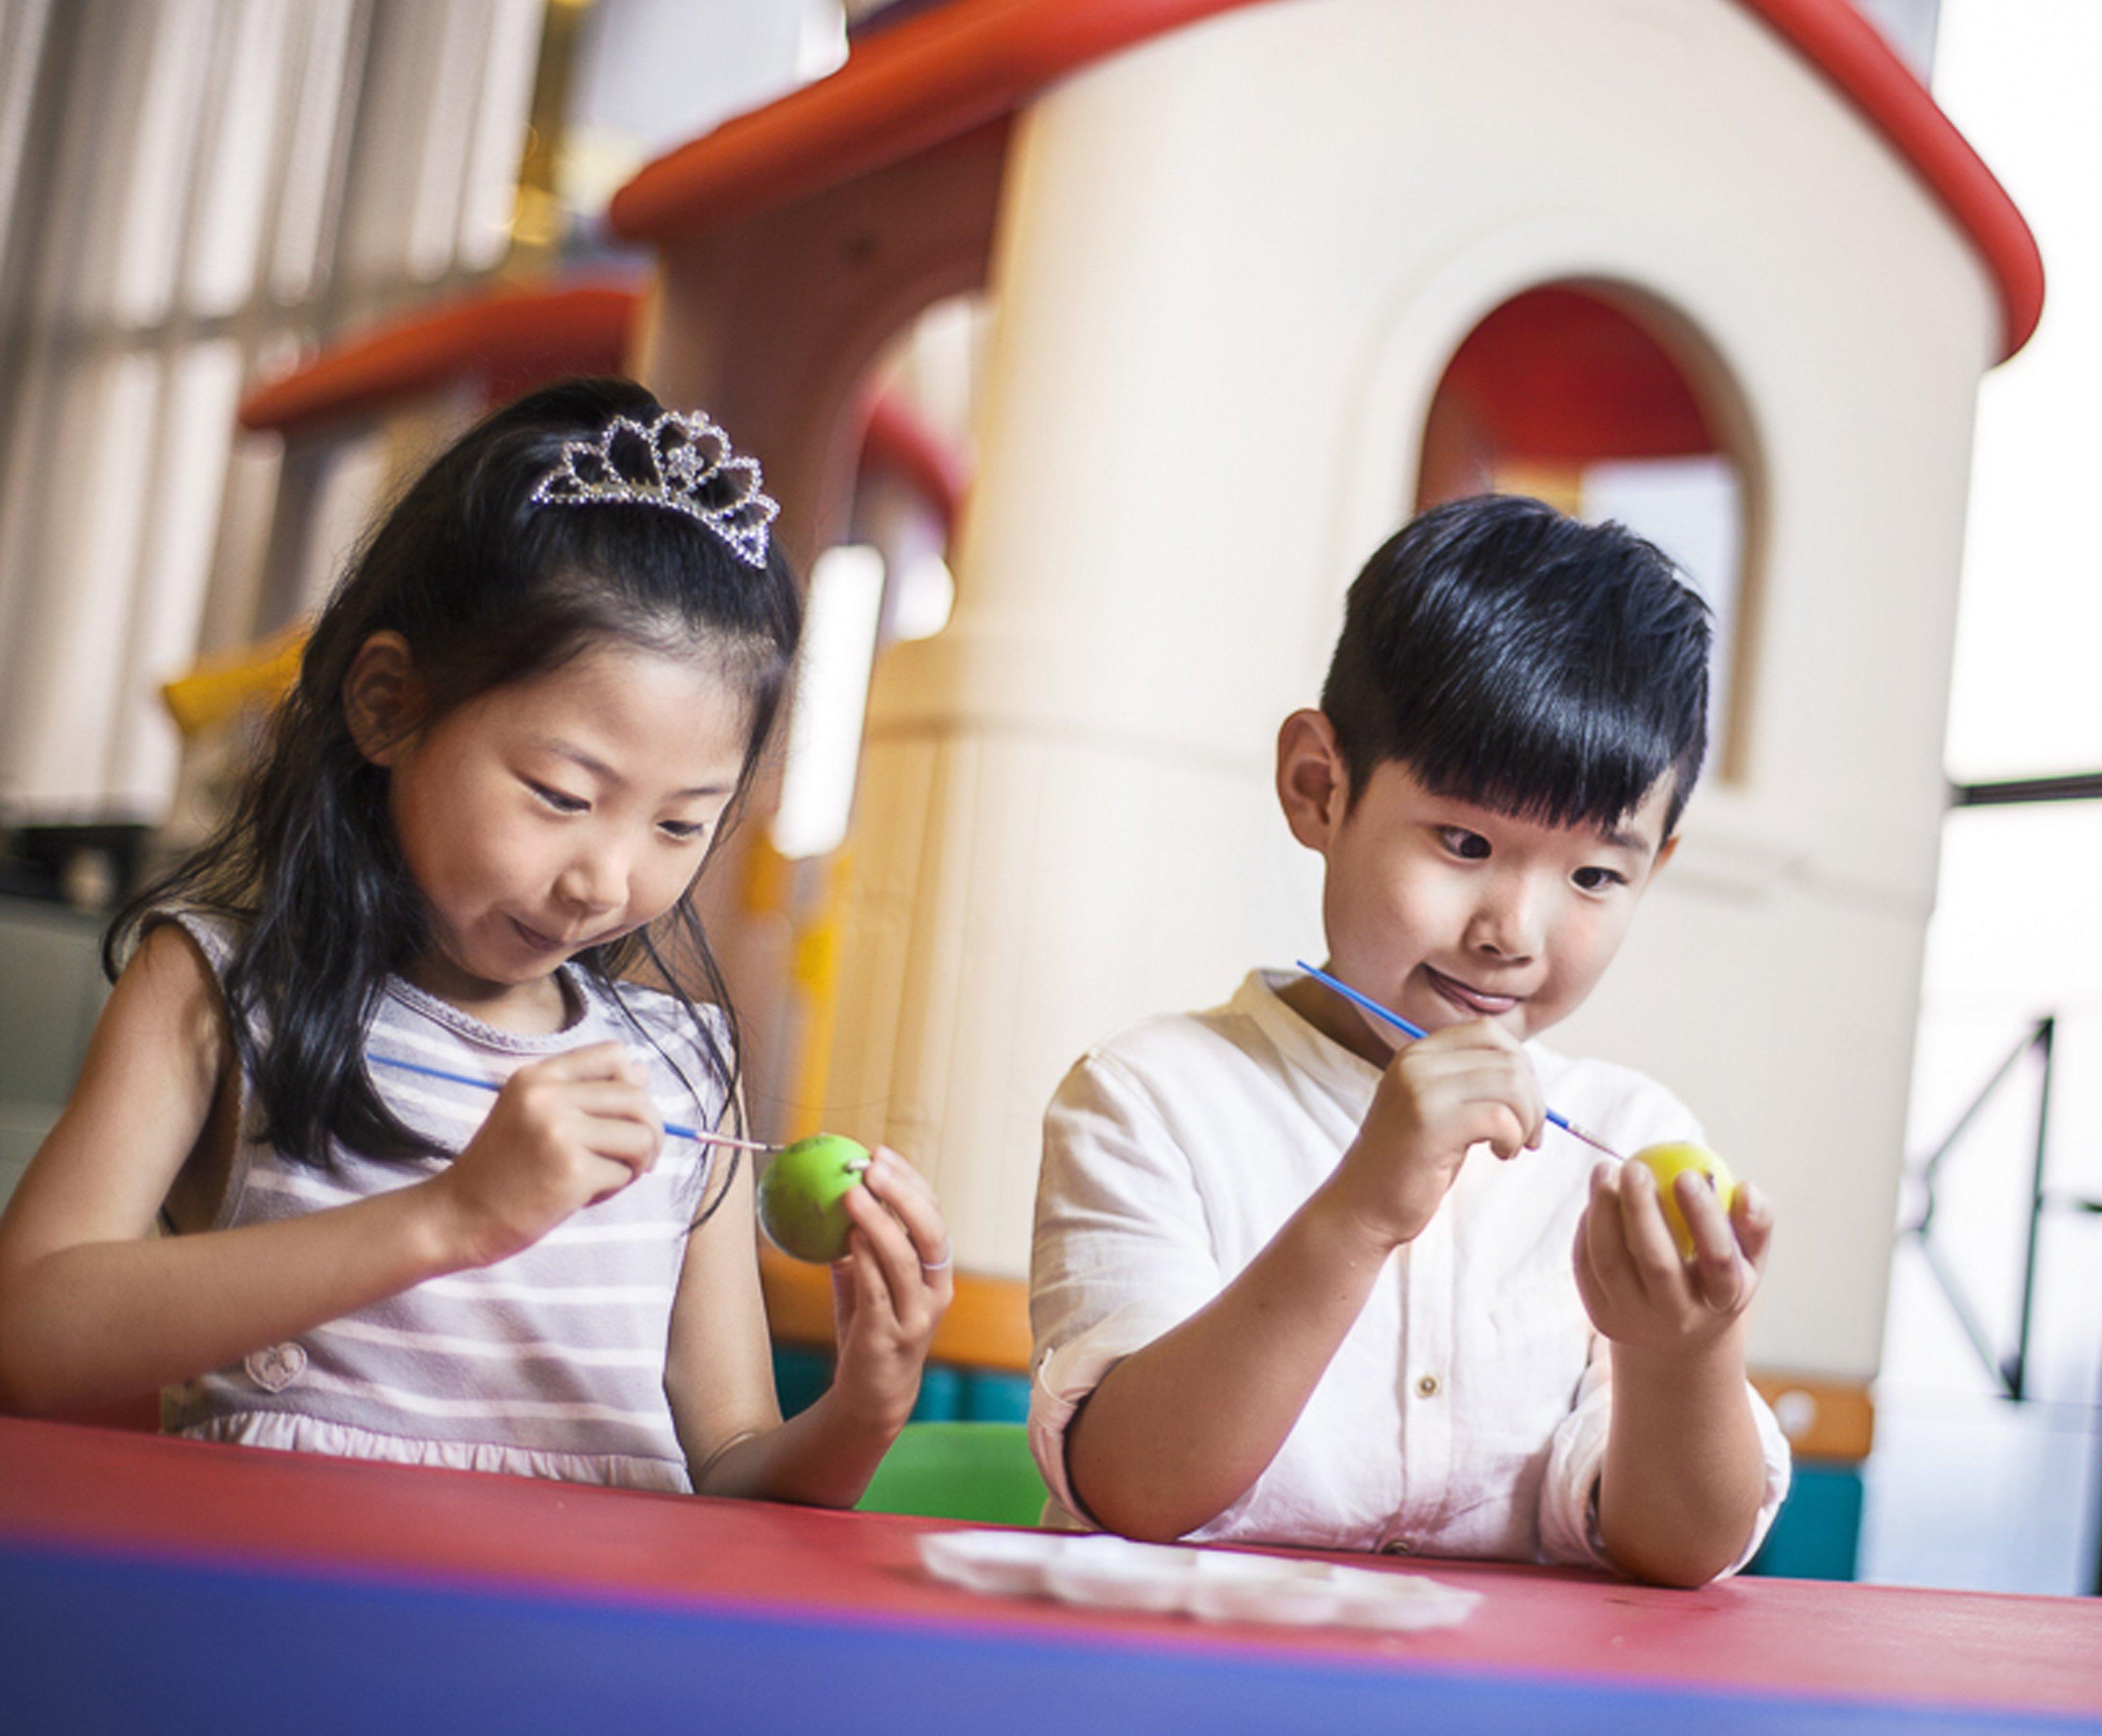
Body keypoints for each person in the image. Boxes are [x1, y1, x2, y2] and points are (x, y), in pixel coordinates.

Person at [0, 379, 951, 1503]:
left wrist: (864, 1408)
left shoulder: (683, 1068)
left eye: (681, 822)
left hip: (593, 1647)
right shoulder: (220, 988)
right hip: (294, 1608)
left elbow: (731, 1465)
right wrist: (449, 1217)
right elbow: (32, 1337)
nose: (605, 878)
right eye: (559, 793)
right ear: (389, 705)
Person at [1028, 494, 1790, 1585]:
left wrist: (1686, 1354)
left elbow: (1680, 1553)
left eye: (1593, 875)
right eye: (1465, 839)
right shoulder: (1148, 1098)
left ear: (1652, 870)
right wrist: (1357, 1212)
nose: (1512, 933)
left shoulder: (1628, 1141)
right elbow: (1136, 1489)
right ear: (1318, 788)